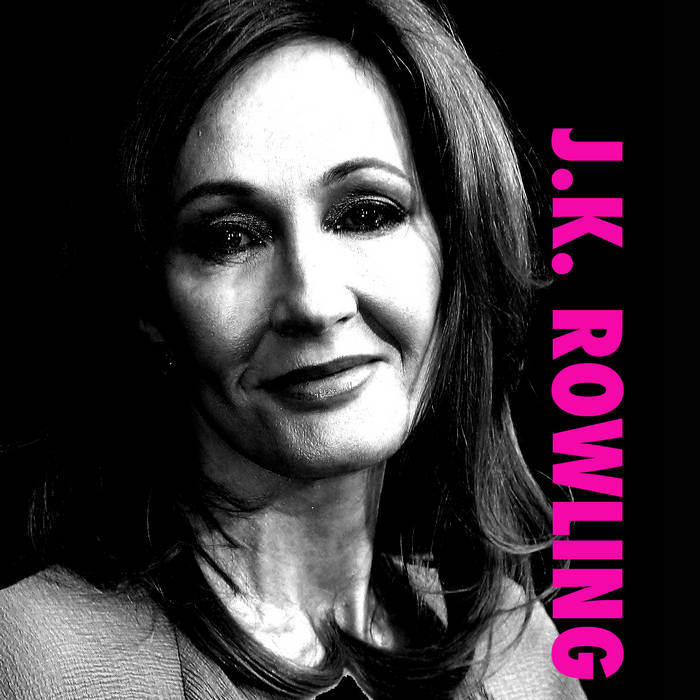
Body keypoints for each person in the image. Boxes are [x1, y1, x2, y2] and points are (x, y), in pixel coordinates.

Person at [0, 1, 585, 698]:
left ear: (453, 253)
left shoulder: (524, 655)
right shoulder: (34, 656)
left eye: (366, 214)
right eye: (230, 237)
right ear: (150, 305)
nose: (312, 299)